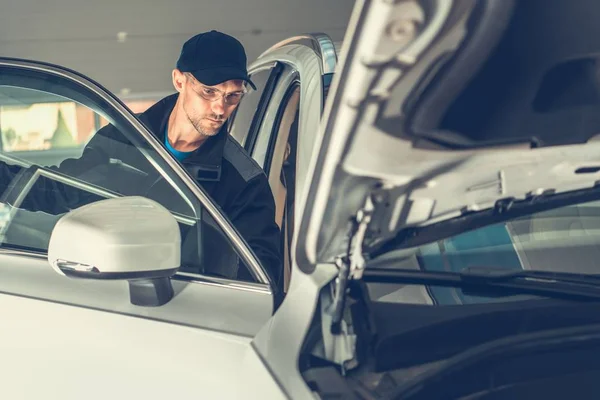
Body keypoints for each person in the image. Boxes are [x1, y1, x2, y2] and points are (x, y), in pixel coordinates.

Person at [1, 31, 283, 291]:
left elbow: (260, 279)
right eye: (208, 92)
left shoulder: (244, 182)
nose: (221, 108)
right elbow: (60, 189)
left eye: (232, 96)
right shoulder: (122, 141)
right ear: (179, 81)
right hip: (110, 295)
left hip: (190, 307)